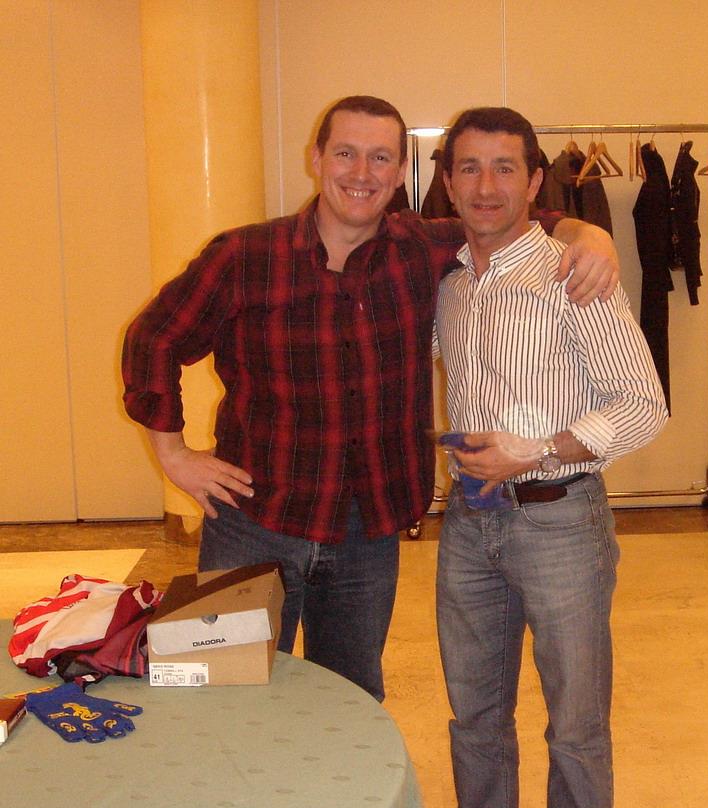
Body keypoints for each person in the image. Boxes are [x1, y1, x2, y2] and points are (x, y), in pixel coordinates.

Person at [122, 95, 619, 704]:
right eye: (346, 154)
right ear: (316, 158)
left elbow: (520, 219)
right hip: (252, 521)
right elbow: (153, 338)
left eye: (380, 158)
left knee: (350, 704)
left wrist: (590, 234)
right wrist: (173, 455)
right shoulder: (244, 256)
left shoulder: (423, 249)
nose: (362, 173)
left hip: (366, 535)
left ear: (401, 171)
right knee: (221, 694)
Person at [433, 107, 668, 808]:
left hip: (559, 519)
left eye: (505, 167)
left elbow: (643, 406)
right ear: (446, 181)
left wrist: (534, 450)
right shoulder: (449, 285)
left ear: (535, 181)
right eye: (468, 167)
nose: (486, 185)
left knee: (574, 718)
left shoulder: (573, 273)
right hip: (468, 524)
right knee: (473, 709)